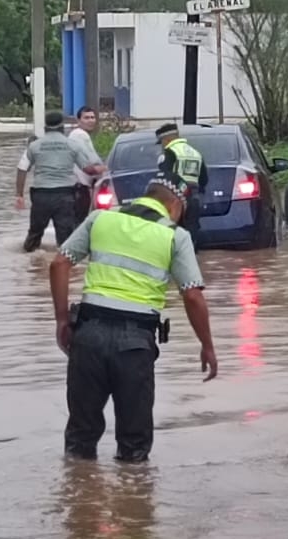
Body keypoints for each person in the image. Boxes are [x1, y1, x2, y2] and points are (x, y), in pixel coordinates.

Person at [49, 170, 218, 462]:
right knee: (134, 446)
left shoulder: (100, 218)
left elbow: (59, 264)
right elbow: (192, 294)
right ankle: (133, 501)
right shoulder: (175, 236)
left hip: (87, 335)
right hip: (135, 344)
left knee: (80, 437)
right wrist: (208, 346)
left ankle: (79, 498)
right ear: (176, 206)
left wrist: (62, 320)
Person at [17, 111, 105, 252]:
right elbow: (88, 170)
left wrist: (19, 195)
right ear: (62, 127)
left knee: (34, 234)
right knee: (66, 240)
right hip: (65, 196)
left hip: (40, 196)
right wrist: (104, 168)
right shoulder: (72, 145)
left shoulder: (34, 146)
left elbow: (22, 169)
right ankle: (68, 271)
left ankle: (30, 264)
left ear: (45, 127)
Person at [154, 123, 207, 235]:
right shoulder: (195, 153)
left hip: (175, 198)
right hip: (193, 197)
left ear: (167, 140)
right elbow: (204, 179)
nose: (162, 146)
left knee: (174, 230)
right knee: (192, 229)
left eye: (162, 142)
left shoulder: (170, 152)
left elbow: (165, 176)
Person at [68, 107, 100, 223]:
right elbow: (93, 160)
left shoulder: (77, 135)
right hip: (79, 189)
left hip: (77, 189)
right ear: (78, 120)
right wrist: (107, 168)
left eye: (92, 117)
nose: (91, 120)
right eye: (86, 118)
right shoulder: (80, 135)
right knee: (80, 224)